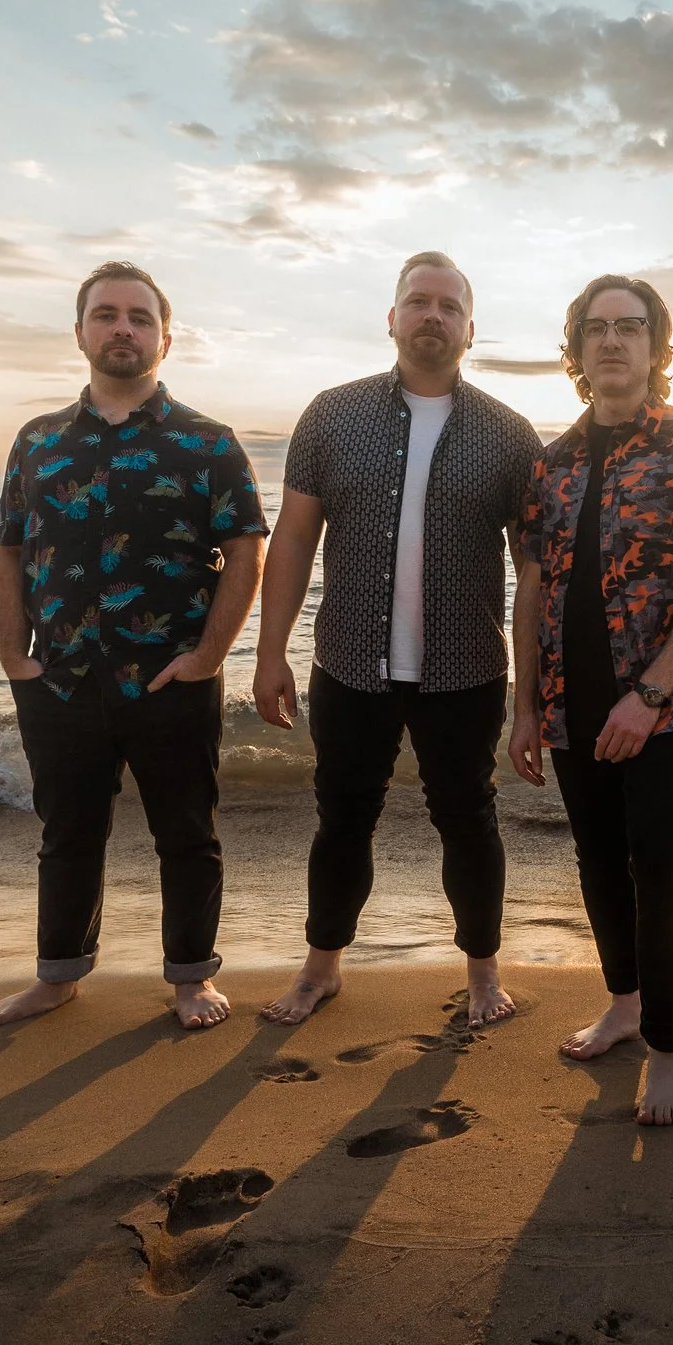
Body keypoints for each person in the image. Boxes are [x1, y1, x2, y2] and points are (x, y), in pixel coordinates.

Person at [252, 253, 543, 1030]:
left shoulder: (510, 436)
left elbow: (536, 569)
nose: (432, 316)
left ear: (470, 329)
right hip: (349, 663)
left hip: (466, 667)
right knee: (343, 819)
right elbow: (292, 539)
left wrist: (534, 691)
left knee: (469, 819)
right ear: (392, 318)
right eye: (418, 301)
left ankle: (483, 972)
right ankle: (321, 967)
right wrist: (270, 652)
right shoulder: (331, 415)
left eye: (449, 305)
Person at [0, 261, 266, 1032]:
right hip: (61, 679)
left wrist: (208, 657)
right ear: (80, 333)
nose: (122, 328)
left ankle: (192, 979)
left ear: (166, 338)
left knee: (188, 834)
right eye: (106, 314)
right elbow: (9, 550)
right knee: (67, 834)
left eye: (139, 317)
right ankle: (57, 977)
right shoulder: (38, 442)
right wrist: (13, 656)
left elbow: (247, 550)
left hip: (170, 676)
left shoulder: (207, 442)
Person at [508, 275, 673, 1125]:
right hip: (572, 700)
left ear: (656, 346)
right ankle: (624, 1002)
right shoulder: (552, 462)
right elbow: (533, 586)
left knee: (662, 862)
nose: (612, 340)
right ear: (577, 349)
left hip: (668, 706)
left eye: (631, 327)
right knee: (598, 858)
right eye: (597, 328)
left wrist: (649, 694)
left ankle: (669, 1051)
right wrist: (526, 705)